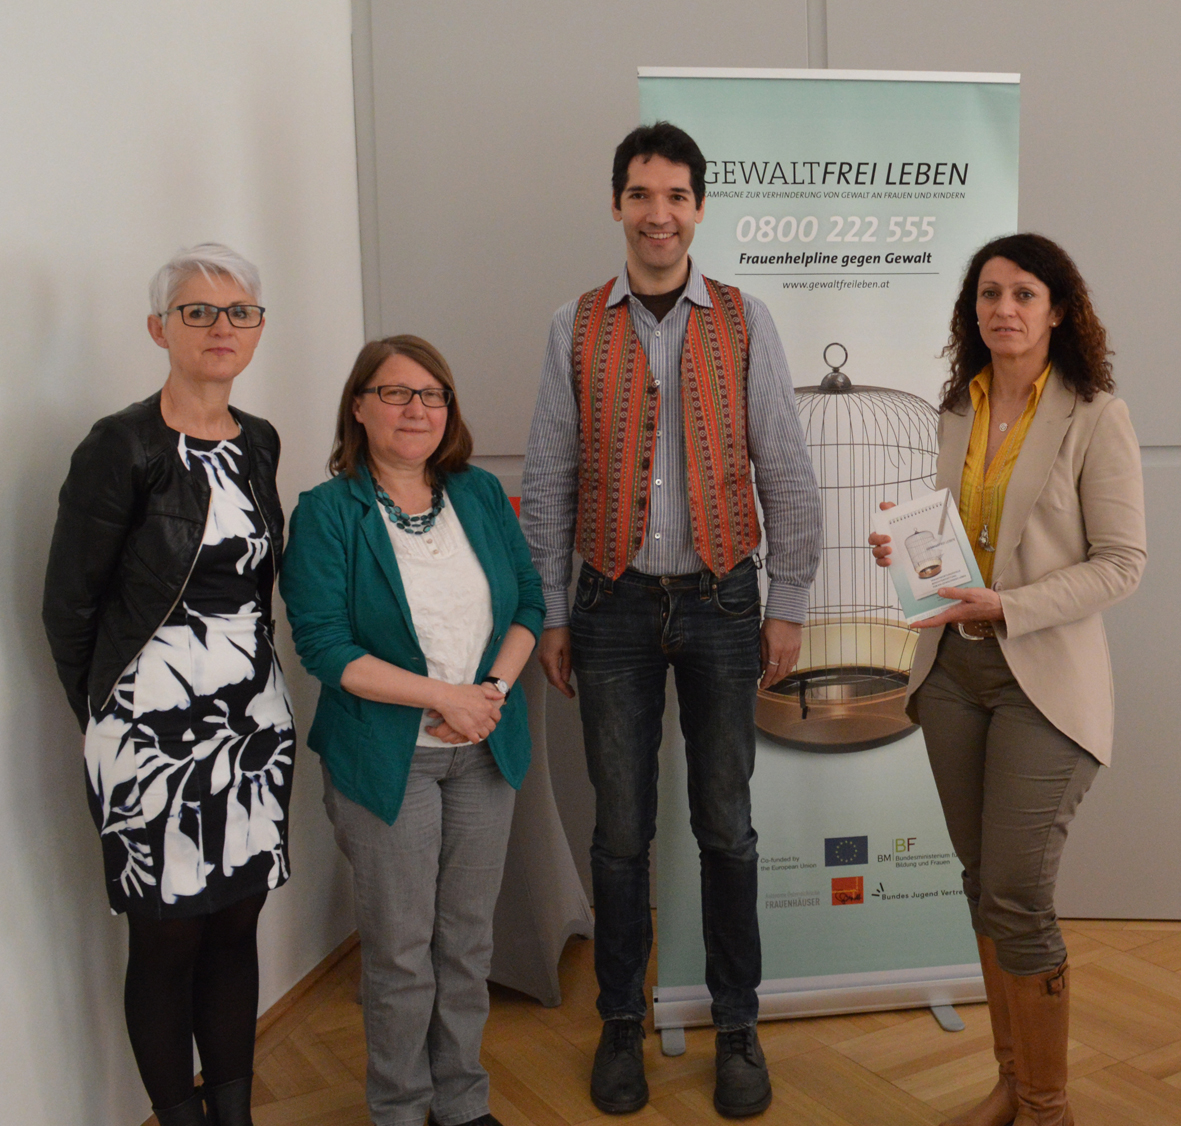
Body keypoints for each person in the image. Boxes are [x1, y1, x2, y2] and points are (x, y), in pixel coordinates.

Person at [520, 122, 821, 1118]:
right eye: (640, 194)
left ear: (698, 207)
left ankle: (737, 1024)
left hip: (725, 600)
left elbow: (782, 463)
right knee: (618, 832)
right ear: (616, 204)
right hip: (606, 606)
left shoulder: (743, 319)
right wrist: (551, 614)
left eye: (676, 196)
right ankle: (619, 1023)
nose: (658, 213)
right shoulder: (572, 323)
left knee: (726, 824)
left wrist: (785, 605)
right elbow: (551, 477)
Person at [869, 233, 1145, 1126]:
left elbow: (1121, 564)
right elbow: (955, 545)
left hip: (1042, 681)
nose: (1004, 309)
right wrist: (905, 552)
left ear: (1057, 309)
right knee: (981, 881)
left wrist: (1005, 605)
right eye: (988, 293)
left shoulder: (1095, 412)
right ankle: (1010, 1083)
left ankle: (1048, 1106)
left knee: (1017, 896)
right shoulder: (957, 407)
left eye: (1024, 293)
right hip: (952, 674)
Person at [42, 244, 293, 1126]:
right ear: (160, 329)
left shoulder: (257, 440)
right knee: (166, 934)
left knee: (233, 926)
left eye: (238, 313)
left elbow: (255, 589)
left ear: (258, 329)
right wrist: (111, 720)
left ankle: (233, 1114)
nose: (220, 329)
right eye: (197, 312)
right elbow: (67, 607)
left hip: (252, 726)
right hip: (149, 734)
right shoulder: (121, 447)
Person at [280, 335, 544, 1126]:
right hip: (387, 758)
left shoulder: (480, 494)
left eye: (431, 394)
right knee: (399, 952)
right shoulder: (329, 513)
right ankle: (398, 1108)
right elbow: (325, 647)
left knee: (465, 944)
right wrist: (444, 697)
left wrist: (488, 692)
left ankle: (461, 1100)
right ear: (358, 407)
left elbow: (529, 604)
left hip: (484, 751)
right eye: (394, 393)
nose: (416, 409)